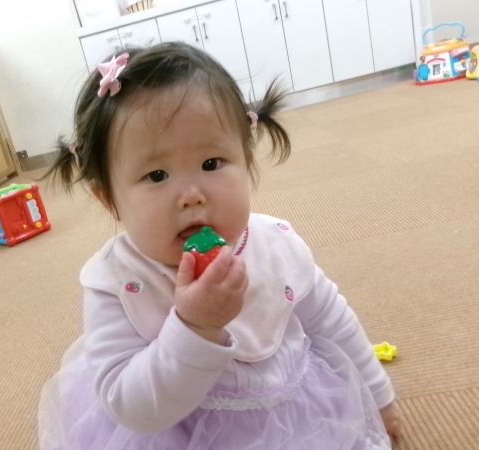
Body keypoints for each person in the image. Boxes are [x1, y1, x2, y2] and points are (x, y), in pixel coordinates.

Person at [38, 41, 401, 449]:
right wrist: (195, 327)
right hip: (179, 431)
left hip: (294, 410)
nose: (191, 195)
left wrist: (379, 395)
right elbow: (131, 407)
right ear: (109, 198)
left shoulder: (274, 243)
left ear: (247, 161)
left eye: (211, 164)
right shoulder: (117, 282)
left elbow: (332, 321)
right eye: (156, 175)